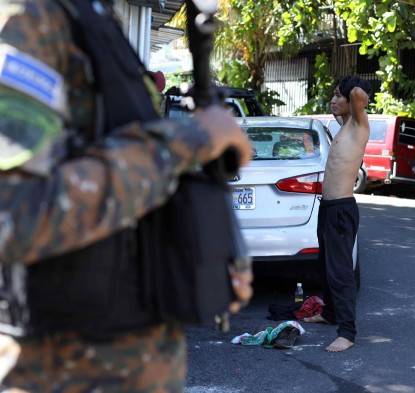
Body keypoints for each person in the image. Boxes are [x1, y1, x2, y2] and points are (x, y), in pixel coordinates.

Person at [0, 0, 252, 391]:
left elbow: (132, 196)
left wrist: (212, 256)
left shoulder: (93, 18)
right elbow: (11, 216)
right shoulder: (28, 19)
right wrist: (188, 140)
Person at [304, 76, 371, 352]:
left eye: (337, 96)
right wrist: (342, 92)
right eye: (332, 95)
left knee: (341, 273)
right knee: (326, 268)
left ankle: (347, 332)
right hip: (328, 208)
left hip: (342, 208)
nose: (333, 100)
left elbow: (358, 94)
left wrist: (349, 86)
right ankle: (330, 314)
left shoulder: (359, 124)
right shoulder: (343, 127)